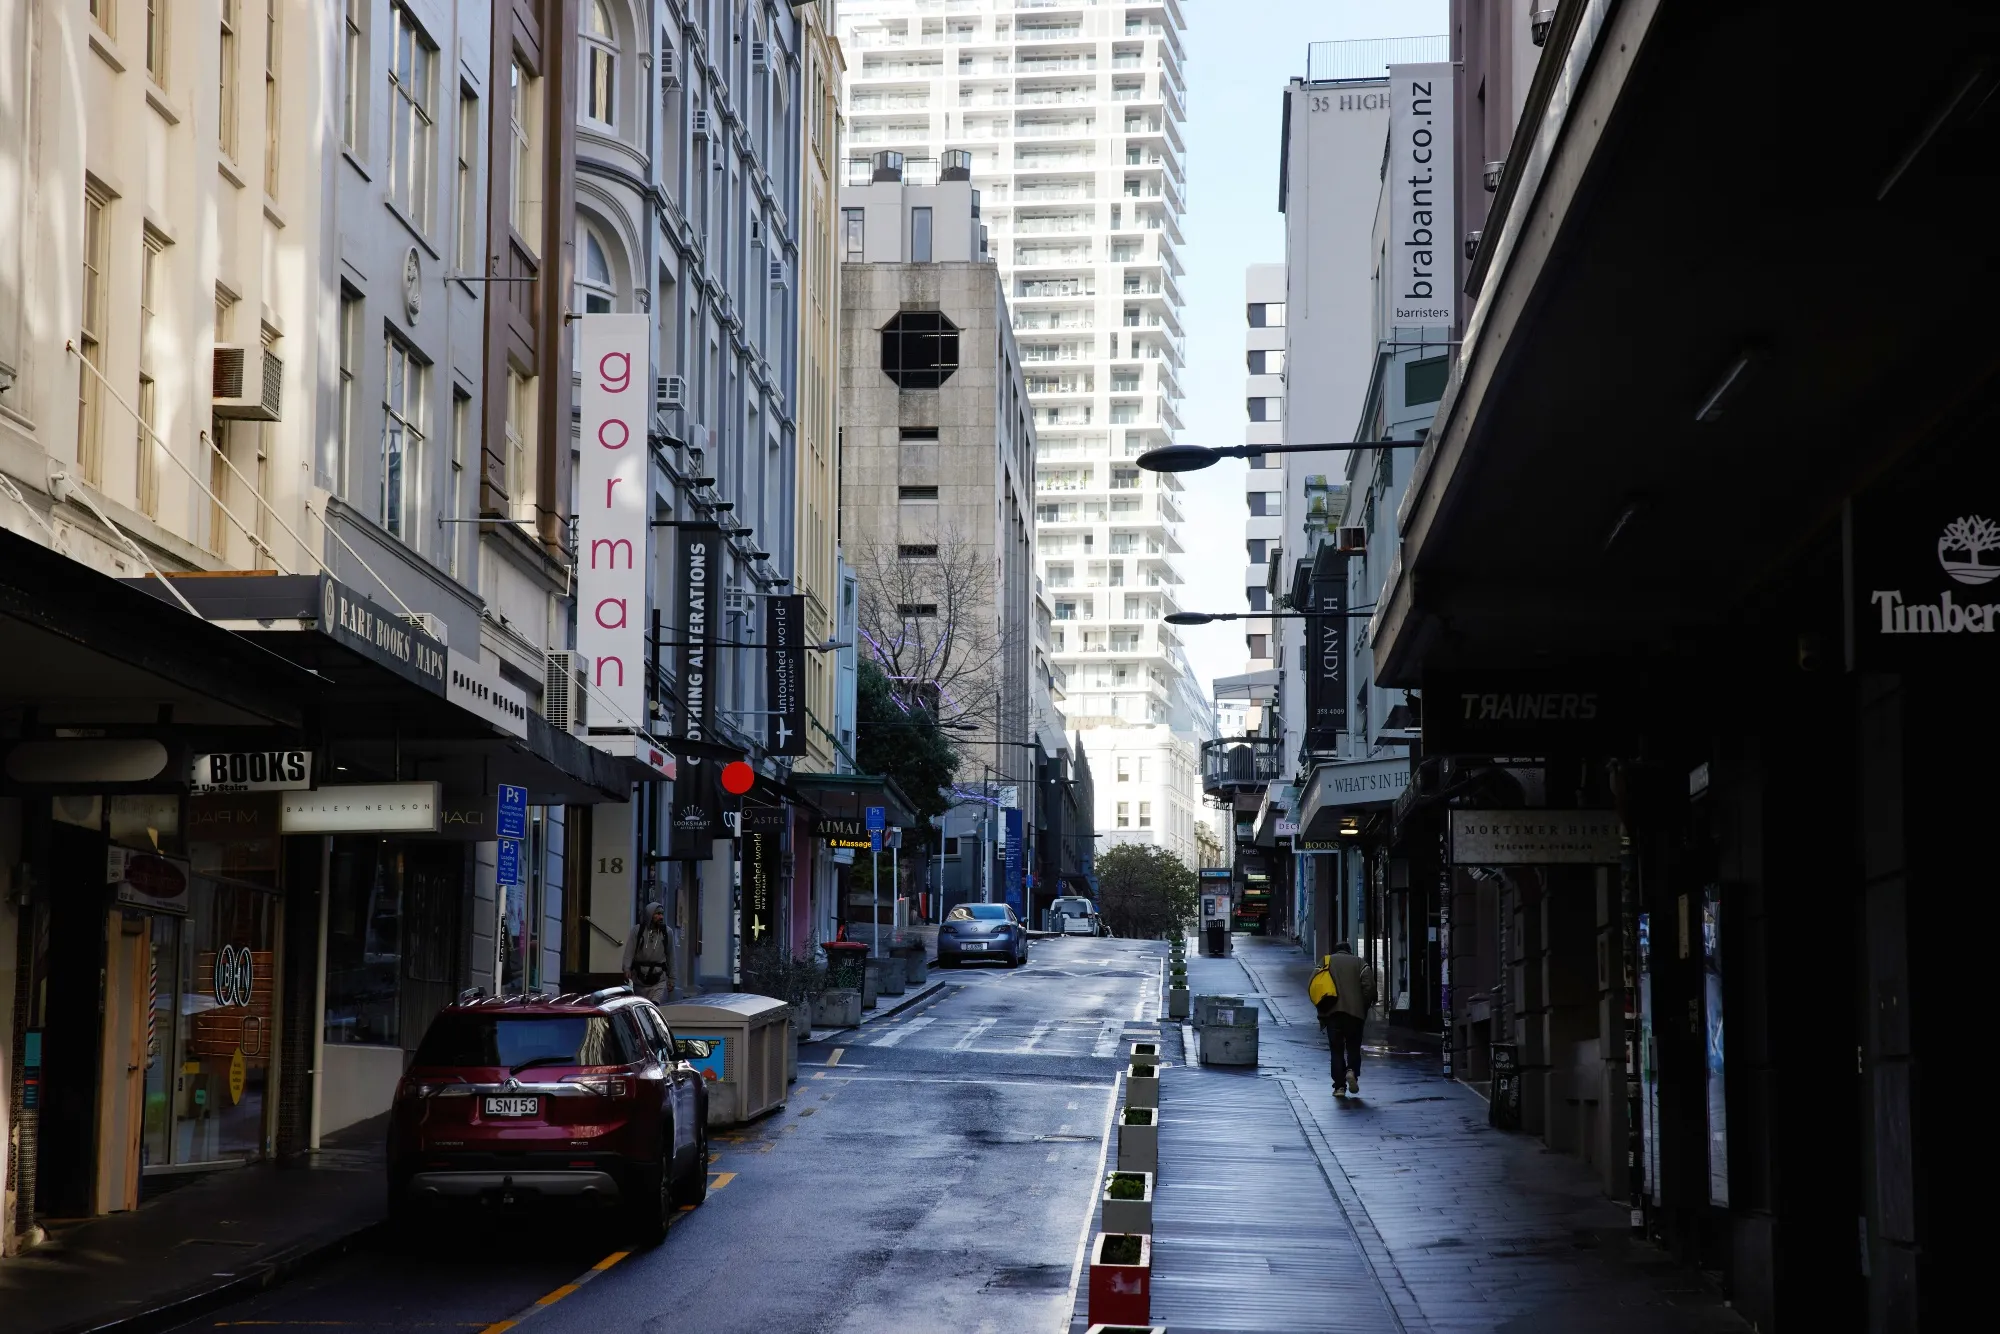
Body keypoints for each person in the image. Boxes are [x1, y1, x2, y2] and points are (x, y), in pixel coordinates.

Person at [1320, 942, 1376, 1097]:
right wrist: (1363, 1005)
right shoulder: (1359, 962)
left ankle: (1339, 1087)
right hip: (1354, 1014)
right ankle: (1351, 1071)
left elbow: (1315, 984)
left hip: (1333, 1014)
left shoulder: (1326, 961)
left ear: (1335, 951)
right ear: (1349, 951)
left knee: (1336, 1050)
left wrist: (1323, 1008)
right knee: (1353, 1047)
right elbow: (1369, 986)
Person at [623, 901, 673, 1004]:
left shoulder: (667, 932)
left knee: (655, 1005)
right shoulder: (637, 931)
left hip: (659, 979)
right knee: (643, 1007)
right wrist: (626, 968)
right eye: (657, 914)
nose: (661, 917)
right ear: (650, 915)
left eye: (662, 914)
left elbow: (671, 956)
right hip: (639, 979)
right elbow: (629, 950)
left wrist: (672, 978)